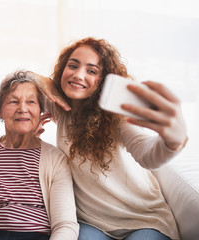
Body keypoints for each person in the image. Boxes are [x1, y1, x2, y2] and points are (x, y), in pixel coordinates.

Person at [39, 37, 188, 240]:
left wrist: (172, 142)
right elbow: (21, 83)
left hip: (143, 220)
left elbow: (148, 155)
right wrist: (36, 78)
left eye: (92, 71)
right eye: (72, 65)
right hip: (91, 223)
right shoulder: (61, 109)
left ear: (104, 80)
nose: (78, 74)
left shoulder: (116, 118)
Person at [0, 70, 79, 240]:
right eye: (13, 101)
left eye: (31, 101)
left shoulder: (56, 159)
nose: (22, 109)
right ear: (0, 112)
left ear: (41, 111)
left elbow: (66, 225)